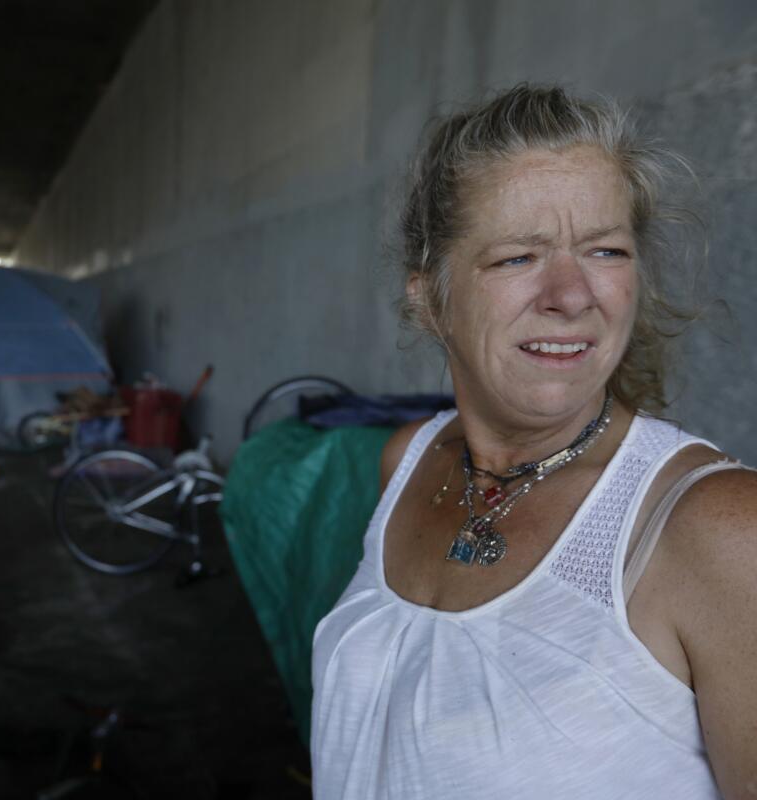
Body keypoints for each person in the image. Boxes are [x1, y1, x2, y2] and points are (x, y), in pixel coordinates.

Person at [311, 85, 757, 797]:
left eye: (606, 250)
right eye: (519, 257)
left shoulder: (718, 529)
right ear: (430, 298)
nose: (572, 294)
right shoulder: (408, 462)